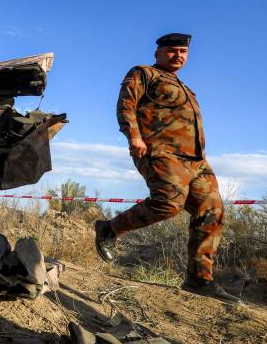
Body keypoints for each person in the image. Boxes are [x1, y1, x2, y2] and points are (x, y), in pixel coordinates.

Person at [95, 33, 242, 304]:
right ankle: (109, 229)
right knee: (169, 203)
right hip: (161, 152)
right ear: (159, 53)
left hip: (196, 160)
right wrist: (134, 136)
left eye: (183, 52)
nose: (178, 56)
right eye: (172, 51)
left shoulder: (185, 87)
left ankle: (199, 279)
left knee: (212, 211)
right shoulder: (145, 73)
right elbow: (126, 104)